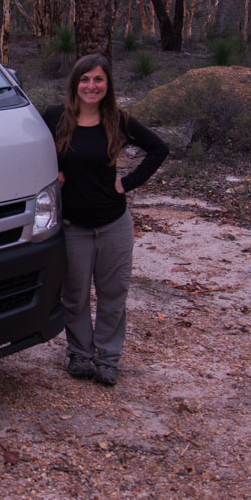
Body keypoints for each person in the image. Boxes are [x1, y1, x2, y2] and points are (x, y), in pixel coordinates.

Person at [42, 53, 168, 386]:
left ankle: (108, 358)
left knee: (113, 294)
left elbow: (158, 148)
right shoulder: (55, 117)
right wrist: (51, 170)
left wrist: (126, 183)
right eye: (85, 79)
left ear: (107, 84)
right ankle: (80, 354)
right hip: (74, 227)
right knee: (75, 295)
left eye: (98, 79)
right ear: (75, 83)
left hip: (114, 224)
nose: (91, 86)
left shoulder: (117, 121)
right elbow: (30, 147)